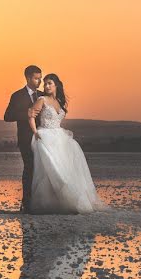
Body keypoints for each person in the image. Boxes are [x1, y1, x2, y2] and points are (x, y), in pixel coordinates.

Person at [28, 74, 107, 214]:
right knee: (53, 170)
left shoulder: (60, 102)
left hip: (60, 138)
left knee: (67, 170)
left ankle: (71, 201)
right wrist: (35, 132)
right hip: (45, 136)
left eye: (49, 83)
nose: (46, 86)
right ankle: (56, 202)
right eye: (45, 84)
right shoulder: (42, 99)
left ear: (56, 85)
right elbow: (31, 116)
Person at [4, 65, 44, 213]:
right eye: (36, 78)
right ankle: (26, 203)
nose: (39, 81)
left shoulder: (42, 95)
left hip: (43, 139)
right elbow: (7, 117)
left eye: (40, 78)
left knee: (42, 169)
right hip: (26, 140)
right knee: (30, 168)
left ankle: (41, 201)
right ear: (28, 78)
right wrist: (26, 113)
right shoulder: (17, 96)